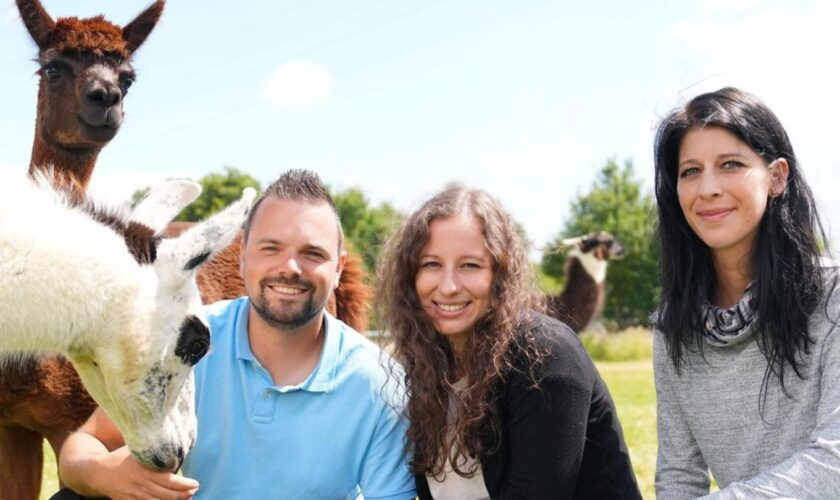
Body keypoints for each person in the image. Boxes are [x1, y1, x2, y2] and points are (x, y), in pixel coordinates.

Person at [56, 170, 416, 499]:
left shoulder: (379, 384)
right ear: (242, 257)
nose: (289, 268)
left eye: (312, 253)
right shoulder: (187, 344)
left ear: (337, 269)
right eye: (271, 248)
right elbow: (82, 446)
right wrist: (107, 474)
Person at [377, 185, 641, 499]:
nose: (448, 286)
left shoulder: (546, 357)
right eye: (431, 264)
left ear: (499, 275)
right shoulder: (426, 364)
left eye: (470, 265)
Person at [652, 87, 840, 498]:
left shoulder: (834, 298)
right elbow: (680, 477)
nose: (708, 188)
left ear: (776, 177)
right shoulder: (672, 327)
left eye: (731, 164)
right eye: (690, 171)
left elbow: (835, 466)